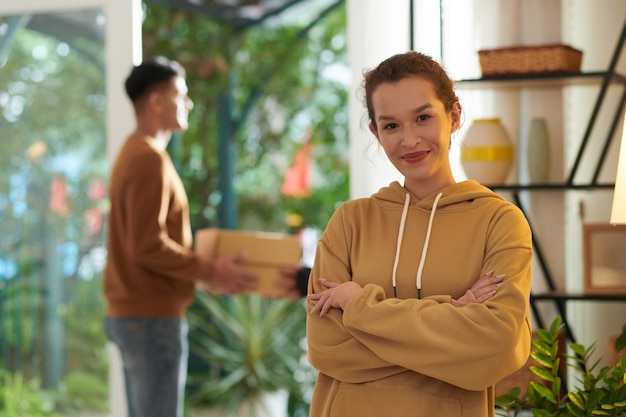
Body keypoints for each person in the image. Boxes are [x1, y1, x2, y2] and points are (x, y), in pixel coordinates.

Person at [306, 51, 533, 417]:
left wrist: (358, 306)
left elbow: (497, 346)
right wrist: (451, 315)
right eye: (391, 125)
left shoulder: (500, 221)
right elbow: (327, 345)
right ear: (375, 132)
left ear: (454, 115)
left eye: (423, 118)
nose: (409, 140)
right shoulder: (349, 221)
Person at [103, 57, 258, 417]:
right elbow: (148, 245)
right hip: (152, 319)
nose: (188, 103)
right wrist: (212, 270)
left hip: (137, 315)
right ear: (157, 102)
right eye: (181, 94)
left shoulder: (135, 153)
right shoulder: (148, 160)